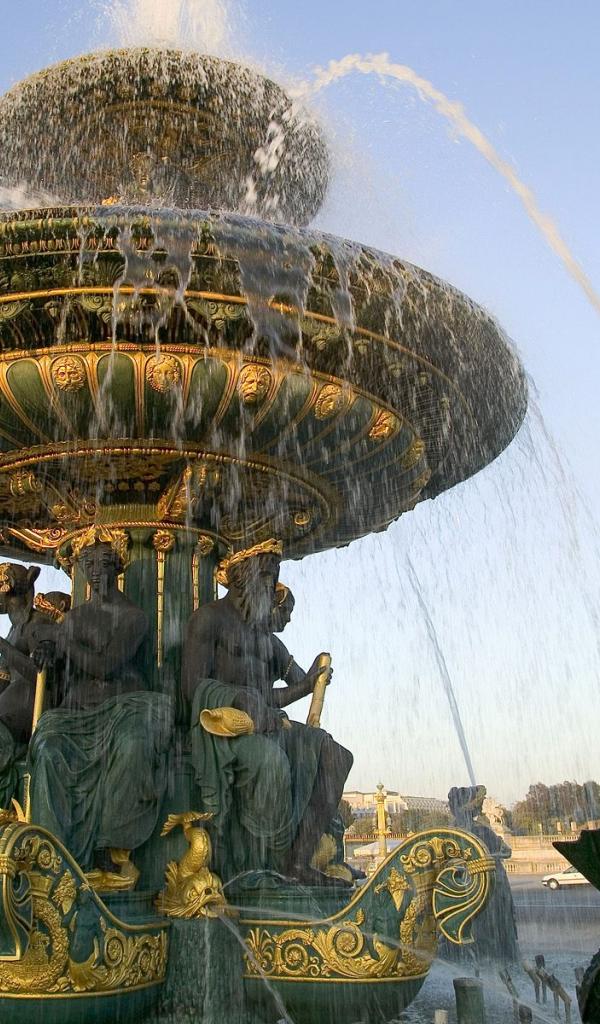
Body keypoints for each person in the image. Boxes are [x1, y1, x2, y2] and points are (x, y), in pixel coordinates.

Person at [181, 539, 353, 885]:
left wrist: (312, 681)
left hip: (268, 724)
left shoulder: (268, 640)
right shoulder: (209, 619)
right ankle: (261, 861)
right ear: (241, 576)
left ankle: (298, 862)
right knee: (270, 762)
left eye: (274, 576)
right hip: (223, 729)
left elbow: (289, 687)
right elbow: (191, 687)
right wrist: (237, 699)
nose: (271, 585)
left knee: (337, 756)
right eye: (265, 576)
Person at [29, 528, 173, 882]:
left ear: (117, 566)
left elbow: (105, 666)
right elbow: (64, 671)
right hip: (79, 715)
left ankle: (110, 849)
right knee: (47, 748)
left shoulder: (133, 617)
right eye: (88, 564)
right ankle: (52, 854)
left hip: (125, 709)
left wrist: (62, 640)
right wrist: (48, 653)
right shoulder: (74, 619)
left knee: (134, 744)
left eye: (103, 563)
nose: (94, 571)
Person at [0, 563, 70, 807]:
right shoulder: (13, 630)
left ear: (8, 590)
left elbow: (42, 674)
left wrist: (3, 647)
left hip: (29, 715)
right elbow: (3, 680)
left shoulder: (37, 624)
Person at [448, 785, 519, 963]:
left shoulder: (451, 832)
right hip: (489, 881)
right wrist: (493, 856)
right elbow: (506, 851)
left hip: (463, 883)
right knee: (494, 918)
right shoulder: (481, 830)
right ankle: (499, 952)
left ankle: (468, 952)